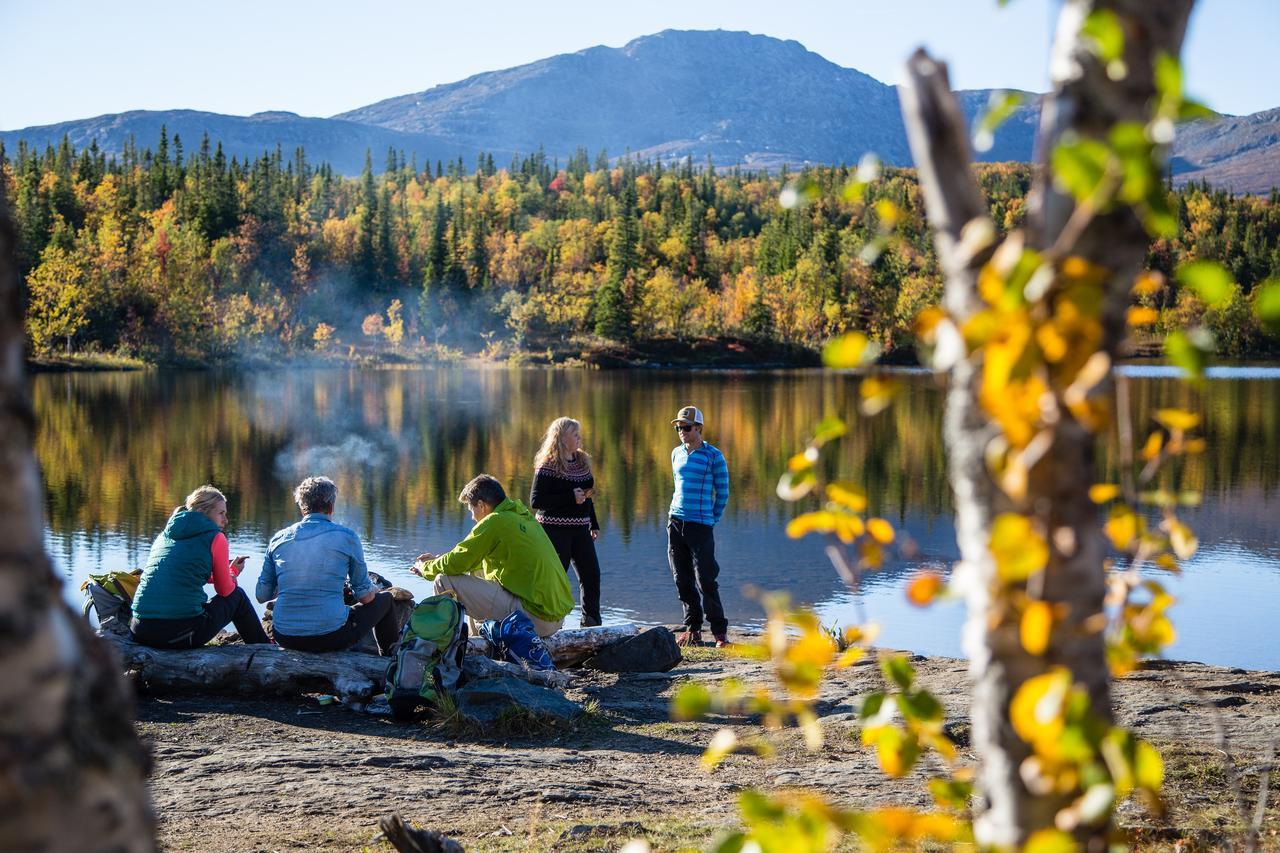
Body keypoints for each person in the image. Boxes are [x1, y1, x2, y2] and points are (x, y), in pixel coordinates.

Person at [412, 474, 573, 638]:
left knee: (444, 580)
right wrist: (438, 559)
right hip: (553, 618)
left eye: (471, 510)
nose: (472, 517)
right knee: (475, 572)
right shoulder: (520, 516)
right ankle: (477, 643)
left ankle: (445, 647)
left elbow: (457, 562)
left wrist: (425, 568)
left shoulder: (494, 522)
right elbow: (469, 560)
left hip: (534, 619)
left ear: (481, 505)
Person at [257, 476, 400, 655]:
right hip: (330, 636)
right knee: (385, 601)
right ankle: (390, 662)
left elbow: (262, 595)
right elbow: (365, 597)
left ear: (302, 508)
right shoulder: (347, 537)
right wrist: (375, 590)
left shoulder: (278, 539)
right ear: (331, 507)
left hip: (285, 636)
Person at [130, 485, 271, 649]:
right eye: (221, 513)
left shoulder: (165, 535)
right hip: (177, 635)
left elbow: (184, 574)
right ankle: (264, 648)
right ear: (203, 511)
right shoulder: (216, 538)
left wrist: (223, 570)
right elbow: (225, 591)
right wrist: (232, 572)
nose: (225, 520)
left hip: (140, 630)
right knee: (237, 596)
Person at [667, 405, 730, 648]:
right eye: (678, 427)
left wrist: (712, 517)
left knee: (706, 579)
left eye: (686, 427)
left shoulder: (714, 456)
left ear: (699, 428)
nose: (681, 431)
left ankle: (719, 633)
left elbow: (722, 492)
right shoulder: (676, 453)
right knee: (681, 578)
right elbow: (677, 484)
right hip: (675, 522)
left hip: (701, 524)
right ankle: (692, 629)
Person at [530, 417, 603, 627]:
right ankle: (549, 624)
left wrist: (593, 523)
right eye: (575, 435)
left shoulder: (582, 462)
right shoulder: (547, 466)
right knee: (555, 580)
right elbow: (536, 501)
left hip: (581, 530)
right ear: (562, 438)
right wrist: (570, 497)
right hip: (554, 531)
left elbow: (587, 495)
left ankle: (591, 624)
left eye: (579, 434)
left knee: (591, 575)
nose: (580, 438)